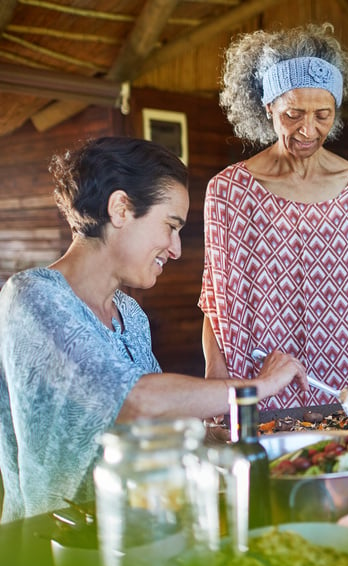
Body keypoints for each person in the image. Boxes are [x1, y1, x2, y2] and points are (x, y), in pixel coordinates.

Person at [0, 137, 308, 523]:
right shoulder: (31, 297)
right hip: (54, 552)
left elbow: (154, 425)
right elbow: (135, 402)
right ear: (121, 208)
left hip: (140, 535)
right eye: (170, 226)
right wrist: (258, 388)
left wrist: (206, 433)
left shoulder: (130, 314)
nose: (176, 249)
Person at [200, 24, 348, 411]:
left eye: (323, 115)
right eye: (292, 114)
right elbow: (218, 302)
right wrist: (215, 377)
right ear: (267, 106)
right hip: (265, 375)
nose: (309, 130)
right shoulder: (229, 191)